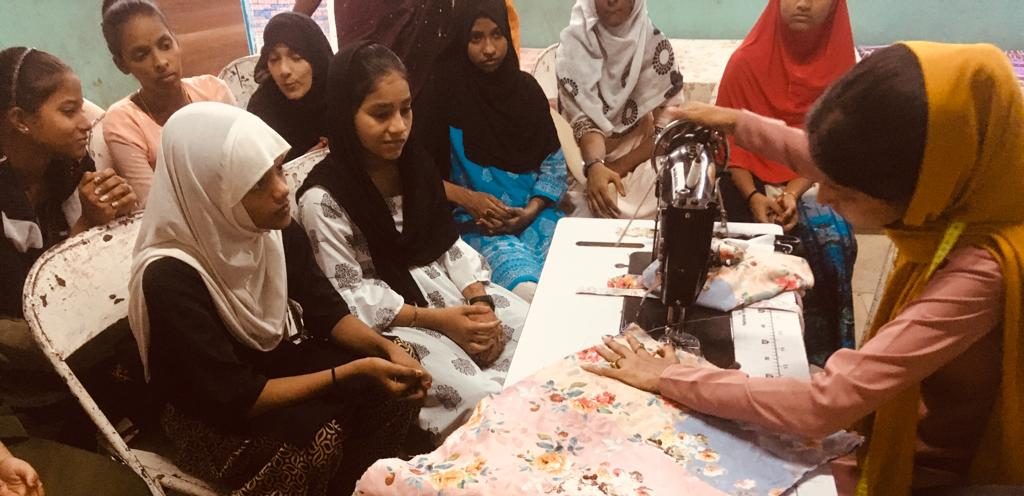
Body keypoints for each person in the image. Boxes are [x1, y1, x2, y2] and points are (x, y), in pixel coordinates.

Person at [585, 43, 1024, 495]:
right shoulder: (964, 189)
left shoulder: (983, 271)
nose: (826, 198)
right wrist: (737, 123)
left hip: (950, 474)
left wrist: (670, 377)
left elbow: (827, 404)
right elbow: (828, 159)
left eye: (843, 192)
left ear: (922, 190)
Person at [128, 102, 428, 494]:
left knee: (399, 372)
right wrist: (351, 372)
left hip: (271, 367)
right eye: (257, 182)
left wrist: (385, 350)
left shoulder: (274, 233)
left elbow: (327, 311)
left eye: (278, 168)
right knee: (313, 442)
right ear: (212, 193)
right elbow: (235, 397)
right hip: (208, 411)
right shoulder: (170, 277)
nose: (282, 188)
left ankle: (356, 487)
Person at [297, 42, 528, 442]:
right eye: (380, 114)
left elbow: (446, 243)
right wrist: (444, 323)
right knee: (475, 395)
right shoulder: (324, 199)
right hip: (396, 322)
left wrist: (479, 304)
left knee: (529, 330)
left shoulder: (414, 165)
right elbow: (351, 296)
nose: (399, 126)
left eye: (405, 109)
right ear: (345, 115)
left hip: (449, 294)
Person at [716, 0, 858, 363]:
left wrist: (793, 193)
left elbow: (831, 149)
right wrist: (754, 197)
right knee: (739, 239)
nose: (803, 3)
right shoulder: (745, 62)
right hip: (745, 183)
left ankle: (823, 356)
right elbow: (732, 146)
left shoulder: (844, 74)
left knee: (832, 232)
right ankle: (745, 352)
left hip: (812, 178)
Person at [1, 47, 137, 406]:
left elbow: (104, 251)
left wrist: (120, 215)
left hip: (68, 320)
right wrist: (86, 226)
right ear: (20, 120)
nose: (86, 120)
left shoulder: (70, 163)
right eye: (68, 111)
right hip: (16, 345)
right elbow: (28, 305)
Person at [442, 0, 566, 302]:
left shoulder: (526, 90)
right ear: (461, 39)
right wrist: (470, 201)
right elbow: (423, 174)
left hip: (536, 217)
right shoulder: (443, 99)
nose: (489, 49)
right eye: (476, 38)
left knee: (572, 278)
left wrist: (531, 210)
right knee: (531, 294)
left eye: (497, 35)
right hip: (480, 229)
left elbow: (554, 163)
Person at [100, 0, 236, 208]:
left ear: (176, 41)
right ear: (121, 64)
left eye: (165, 45)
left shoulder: (213, 90)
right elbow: (153, 204)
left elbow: (248, 162)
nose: (161, 62)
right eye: (141, 55)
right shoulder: (123, 120)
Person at [557, 0, 684, 220]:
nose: (611, 1)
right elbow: (584, 122)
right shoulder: (572, 47)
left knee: (678, 178)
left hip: (639, 157)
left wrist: (617, 167)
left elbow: (667, 128)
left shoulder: (654, 44)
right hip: (581, 159)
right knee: (582, 202)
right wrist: (596, 167)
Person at [248, 12, 332, 163]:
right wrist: (301, 164)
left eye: (296, 58)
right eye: (274, 59)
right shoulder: (262, 109)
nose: (283, 70)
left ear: (316, 60)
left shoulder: (342, 98)